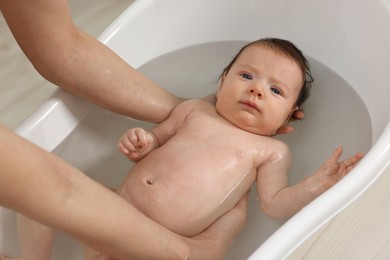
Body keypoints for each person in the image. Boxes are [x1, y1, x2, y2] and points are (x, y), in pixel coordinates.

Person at [8, 38, 363, 260]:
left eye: (275, 91)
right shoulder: (194, 110)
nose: (257, 89)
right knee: (42, 186)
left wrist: (319, 184)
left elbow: (274, 204)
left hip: (156, 244)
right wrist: (140, 143)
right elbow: (156, 140)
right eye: (246, 76)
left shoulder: (269, 153)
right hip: (113, 209)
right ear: (222, 80)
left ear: (290, 117)